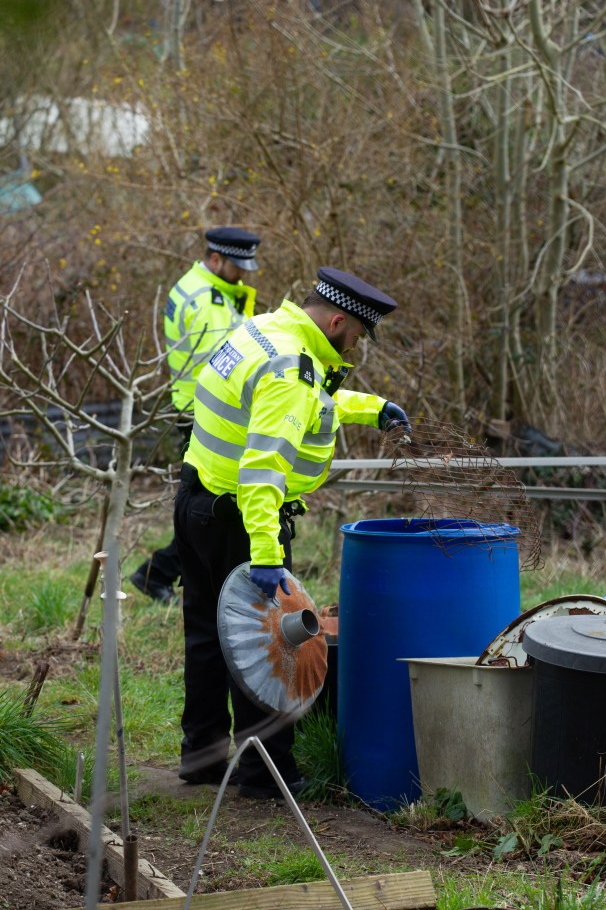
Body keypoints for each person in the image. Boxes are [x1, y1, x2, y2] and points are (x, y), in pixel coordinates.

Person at [174, 265, 411, 798]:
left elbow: (308, 406)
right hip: (241, 516)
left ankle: (202, 756)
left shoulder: (263, 330)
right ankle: (266, 775)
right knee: (269, 642)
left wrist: (371, 409)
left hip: (196, 498)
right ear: (335, 321)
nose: (354, 350)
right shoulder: (291, 369)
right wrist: (265, 554)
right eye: (355, 336)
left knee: (209, 635)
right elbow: (263, 470)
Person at [130, 226, 262, 604]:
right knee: (211, 507)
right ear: (216, 259)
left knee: (202, 504)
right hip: (210, 413)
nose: (243, 274)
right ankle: (160, 574)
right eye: (237, 267)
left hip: (192, 408)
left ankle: (159, 573)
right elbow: (225, 364)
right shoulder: (209, 302)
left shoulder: (198, 285)